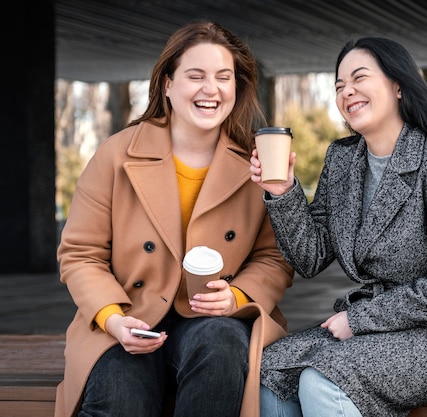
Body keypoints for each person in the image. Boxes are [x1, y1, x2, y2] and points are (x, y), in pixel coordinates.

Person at [250, 37, 427, 417]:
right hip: (375, 331)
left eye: (359, 78)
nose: (346, 91)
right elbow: (310, 257)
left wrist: (359, 319)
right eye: (338, 86)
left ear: (398, 85)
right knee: (270, 370)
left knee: (323, 380)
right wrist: (283, 192)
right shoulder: (342, 160)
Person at [55, 20, 294, 417]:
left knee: (222, 344)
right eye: (195, 76)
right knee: (121, 394)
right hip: (128, 314)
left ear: (237, 86)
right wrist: (112, 319)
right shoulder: (117, 155)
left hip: (212, 319)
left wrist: (235, 297)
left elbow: (275, 256)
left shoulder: (258, 164)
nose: (210, 89)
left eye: (223, 77)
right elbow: (81, 253)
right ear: (167, 83)